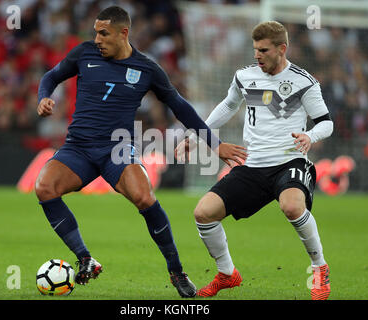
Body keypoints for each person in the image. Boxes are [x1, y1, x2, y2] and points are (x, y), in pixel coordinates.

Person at [35, 5, 246, 298]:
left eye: (103, 33)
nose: (97, 39)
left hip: (117, 150)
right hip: (78, 148)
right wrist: (44, 97)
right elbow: (51, 76)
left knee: (145, 197)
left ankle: (176, 271)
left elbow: (180, 107)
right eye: (96, 32)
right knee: (44, 187)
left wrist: (214, 144)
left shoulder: (146, 69)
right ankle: (85, 258)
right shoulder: (83, 54)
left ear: (124, 33)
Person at [175, 21, 333, 300]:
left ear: (282, 49)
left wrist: (310, 136)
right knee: (203, 214)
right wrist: (198, 135)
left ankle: (320, 268)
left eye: (263, 50)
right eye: (255, 50)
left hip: (290, 161)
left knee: (292, 206)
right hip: (254, 165)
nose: (257, 55)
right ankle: (227, 274)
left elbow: (326, 123)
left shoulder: (303, 81)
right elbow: (228, 105)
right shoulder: (244, 76)